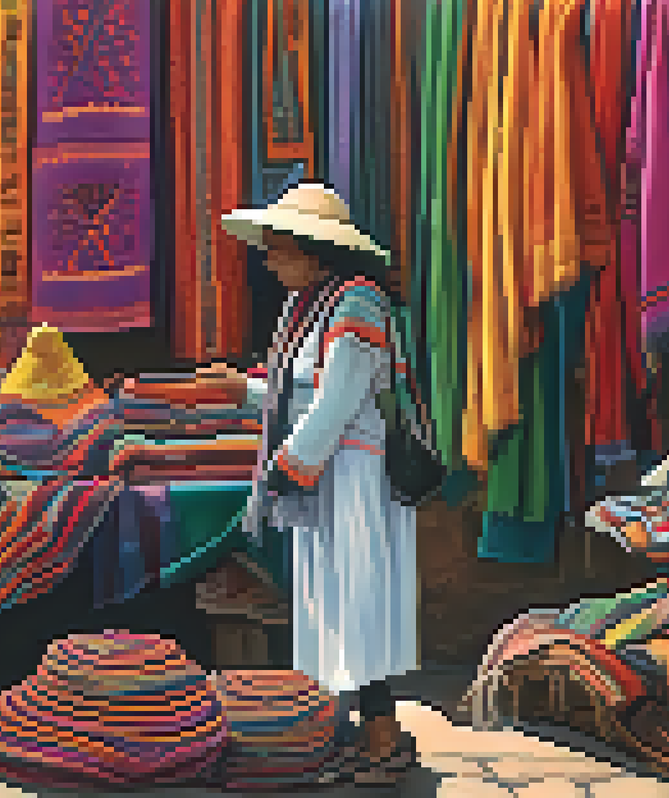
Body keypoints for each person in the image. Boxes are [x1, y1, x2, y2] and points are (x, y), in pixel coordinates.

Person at [203, 180, 419, 782]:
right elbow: (295, 392)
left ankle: (382, 740)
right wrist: (241, 389)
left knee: (358, 605)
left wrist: (287, 467)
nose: (270, 262)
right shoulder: (310, 308)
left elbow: (336, 401)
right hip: (326, 473)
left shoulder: (357, 306)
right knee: (334, 607)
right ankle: (348, 734)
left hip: (352, 475)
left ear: (312, 250)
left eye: (278, 249)